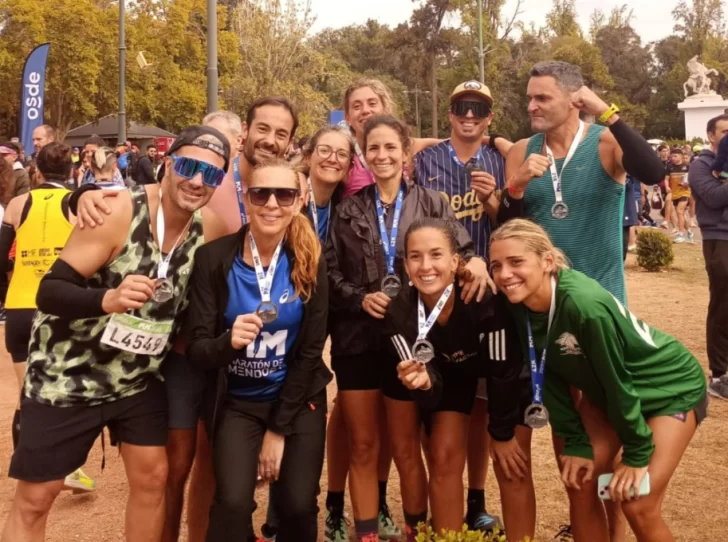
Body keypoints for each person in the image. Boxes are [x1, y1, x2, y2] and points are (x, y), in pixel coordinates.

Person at [1, 125, 231, 542]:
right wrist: (106, 299)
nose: (198, 181)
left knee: (153, 478)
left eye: (212, 174)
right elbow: (49, 291)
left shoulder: (210, 228)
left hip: (136, 379)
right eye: (189, 166)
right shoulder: (121, 210)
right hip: (67, 375)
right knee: (37, 497)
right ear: (167, 164)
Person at [326, 114, 491, 542]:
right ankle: (366, 534)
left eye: (390, 148)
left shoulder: (432, 201)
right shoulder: (347, 210)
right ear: (364, 154)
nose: (381, 155)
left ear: (405, 154)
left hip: (419, 335)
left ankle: (420, 530)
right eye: (373, 148)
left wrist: (474, 260)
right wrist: (358, 297)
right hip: (361, 338)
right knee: (368, 445)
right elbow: (330, 273)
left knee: (415, 447)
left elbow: (461, 250)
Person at [489, 218, 708, 542]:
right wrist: (574, 440)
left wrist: (635, 453)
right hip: (610, 394)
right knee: (580, 478)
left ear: (547, 261)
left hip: (670, 389)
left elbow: (617, 380)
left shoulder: (583, 304)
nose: (505, 274)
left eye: (516, 262)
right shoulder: (519, 304)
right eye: (496, 265)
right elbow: (548, 374)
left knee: (637, 501)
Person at [186, 159, 331, 542]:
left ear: (299, 201)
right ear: (244, 198)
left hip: (297, 401)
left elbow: (311, 352)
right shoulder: (213, 260)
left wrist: (278, 430)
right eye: (259, 193)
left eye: (283, 194)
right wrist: (227, 342)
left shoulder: (310, 260)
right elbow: (198, 349)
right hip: (237, 402)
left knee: (298, 504)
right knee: (232, 504)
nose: (271, 203)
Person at [388, 218, 534, 540]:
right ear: (406, 264)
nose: (426, 266)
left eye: (436, 255)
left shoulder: (483, 299)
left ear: (456, 261)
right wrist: (424, 384)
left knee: (511, 463)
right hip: (450, 377)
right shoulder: (399, 312)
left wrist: (502, 431)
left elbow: (504, 373)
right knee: (442, 456)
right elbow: (429, 392)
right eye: (415, 256)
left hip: (499, 372)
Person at [414, 79, 510, 531]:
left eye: (478, 109)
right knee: (435, 402)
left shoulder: (499, 159)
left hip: (487, 295)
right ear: (449, 113)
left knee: (482, 407)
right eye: (460, 108)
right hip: (436, 295)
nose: (469, 116)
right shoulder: (426, 160)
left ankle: (476, 497)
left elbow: (510, 223)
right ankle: (442, 494)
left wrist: (493, 200)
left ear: (490, 116)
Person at [497, 61, 665, 304]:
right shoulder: (521, 151)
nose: (532, 107)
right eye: (530, 98)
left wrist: (608, 113)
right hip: (541, 299)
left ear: (574, 100)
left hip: (601, 297)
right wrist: (516, 187)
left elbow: (653, 172)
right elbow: (508, 228)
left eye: (542, 98)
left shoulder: (606, 144)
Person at [0, 142, 97, 493]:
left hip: (21, 307)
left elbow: (0, 258)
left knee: (29, 396)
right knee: (65, 389)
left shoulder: (16, 204)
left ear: (36, 171)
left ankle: (26, 470)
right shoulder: (76, 205)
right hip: (61, 307)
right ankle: (69, 467)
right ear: (72, 172)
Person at [688, 113, 728, 400]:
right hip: (719, 239)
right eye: (724, 131)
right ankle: (719, 375)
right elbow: (713, 198)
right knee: (723, 305)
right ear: (711, 135)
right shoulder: (699, 166)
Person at [665, 148, 693, 243]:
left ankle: (681, 234)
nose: (673, 158)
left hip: (685, 192)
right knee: (681, 214)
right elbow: (666, 179)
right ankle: (689, 231)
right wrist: (667, 187)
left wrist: (687, 184)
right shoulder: (669, 167)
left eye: (675, 156)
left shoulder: (687, 167)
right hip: (674, 193)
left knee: (679, 211)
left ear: (681, 156)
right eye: (672, 156)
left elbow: (692, 180)